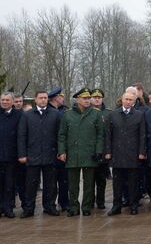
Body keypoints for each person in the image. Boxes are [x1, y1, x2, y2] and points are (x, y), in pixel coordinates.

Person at [57, 88, 104, 216]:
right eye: (84, 98)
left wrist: (99, 150)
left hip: (90, 153)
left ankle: (86, 207)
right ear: (77, 99)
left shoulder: (96, 114)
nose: (87, 100)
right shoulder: (68, 114)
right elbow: (62, 135)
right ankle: (73, 207)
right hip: (73, 153)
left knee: (89, 183)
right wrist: (62, 151)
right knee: (73, 184)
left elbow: (101, 134)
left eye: (89, 98)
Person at [17, 90, 61, 217]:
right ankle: (29, 208)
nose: (43, 100)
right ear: (35, 100)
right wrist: (22, 154)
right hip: (32, 155)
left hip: (50, 155)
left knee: (51, 184)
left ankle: (49, 206)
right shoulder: (27, 115)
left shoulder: (55, 114)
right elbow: (22, 136)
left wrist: (59, 152)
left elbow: (60, 135)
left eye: (45, 98)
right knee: (31, 184)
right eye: (40, 98)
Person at [105, 92, 146, 216]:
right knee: (117, 183)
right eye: (126, 99)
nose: (128, 102)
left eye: (130, 100)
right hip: (117, 154)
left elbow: (142, 135)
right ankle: (116, 206)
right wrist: (107, 151)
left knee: (133, 182)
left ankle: (133, 205)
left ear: (134, 102)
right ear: (122, 100)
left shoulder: (139, 115)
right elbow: (108, 135)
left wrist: (142, 152)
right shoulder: (113, 115)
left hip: (133, 154)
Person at [47, 87, 69, 212]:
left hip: (64, 150)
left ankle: (64, 202)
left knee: (64, 179)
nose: (63, 99)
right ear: (55, 98)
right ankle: (51, 204)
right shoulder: (48, 111)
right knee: (51, 181)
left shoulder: (65, 110)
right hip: (50, 150)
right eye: (61, 96)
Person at [90, 88, 111, 210]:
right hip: (90, 151)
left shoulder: (108, 113)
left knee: (101, 179)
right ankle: (90, 201)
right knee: (90, 179)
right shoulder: (87, 112)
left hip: (103, 151)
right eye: (94, 97)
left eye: (99, 97)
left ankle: (101, 201)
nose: (97, 99)